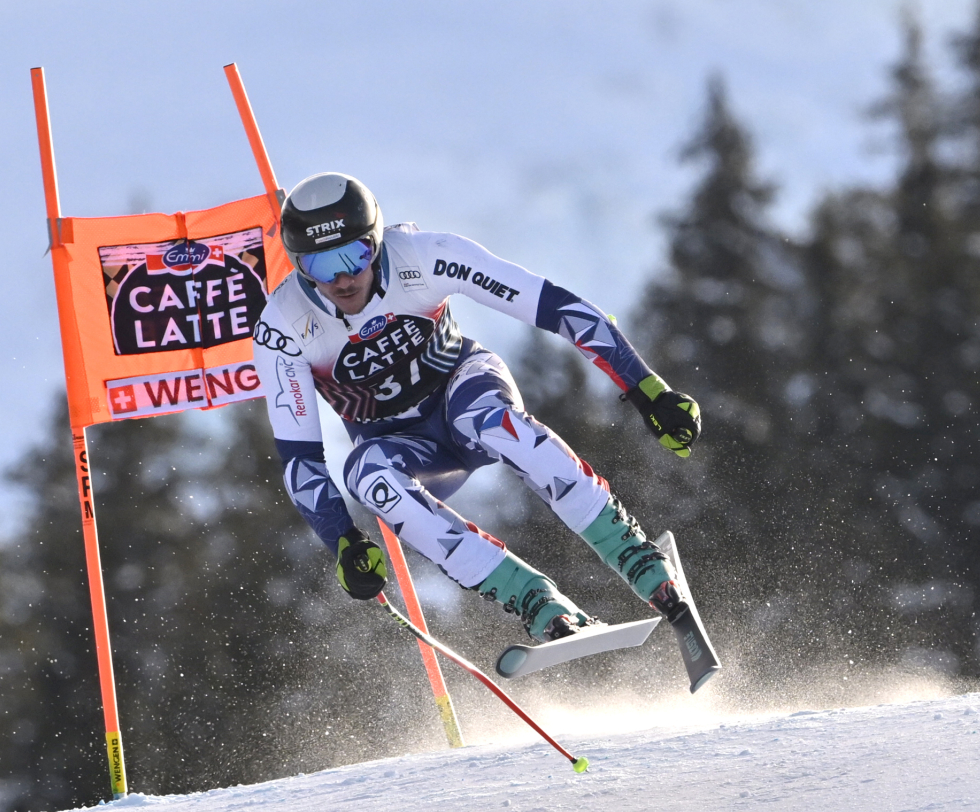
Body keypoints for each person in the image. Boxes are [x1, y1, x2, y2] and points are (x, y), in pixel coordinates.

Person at [252, 173, 701, 642]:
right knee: (367, 477)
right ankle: (531, 597)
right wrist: (343, 541)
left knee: (490, 423)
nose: (342, 278)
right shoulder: (282, 327)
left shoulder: (428, 256)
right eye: (320, 266)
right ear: (298, 266)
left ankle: (631, 551)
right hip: (401, 444)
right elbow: (301, 462)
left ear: (377, 241)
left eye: (354, 255)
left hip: (463, 388)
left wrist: (648, 389)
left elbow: (556, 307)